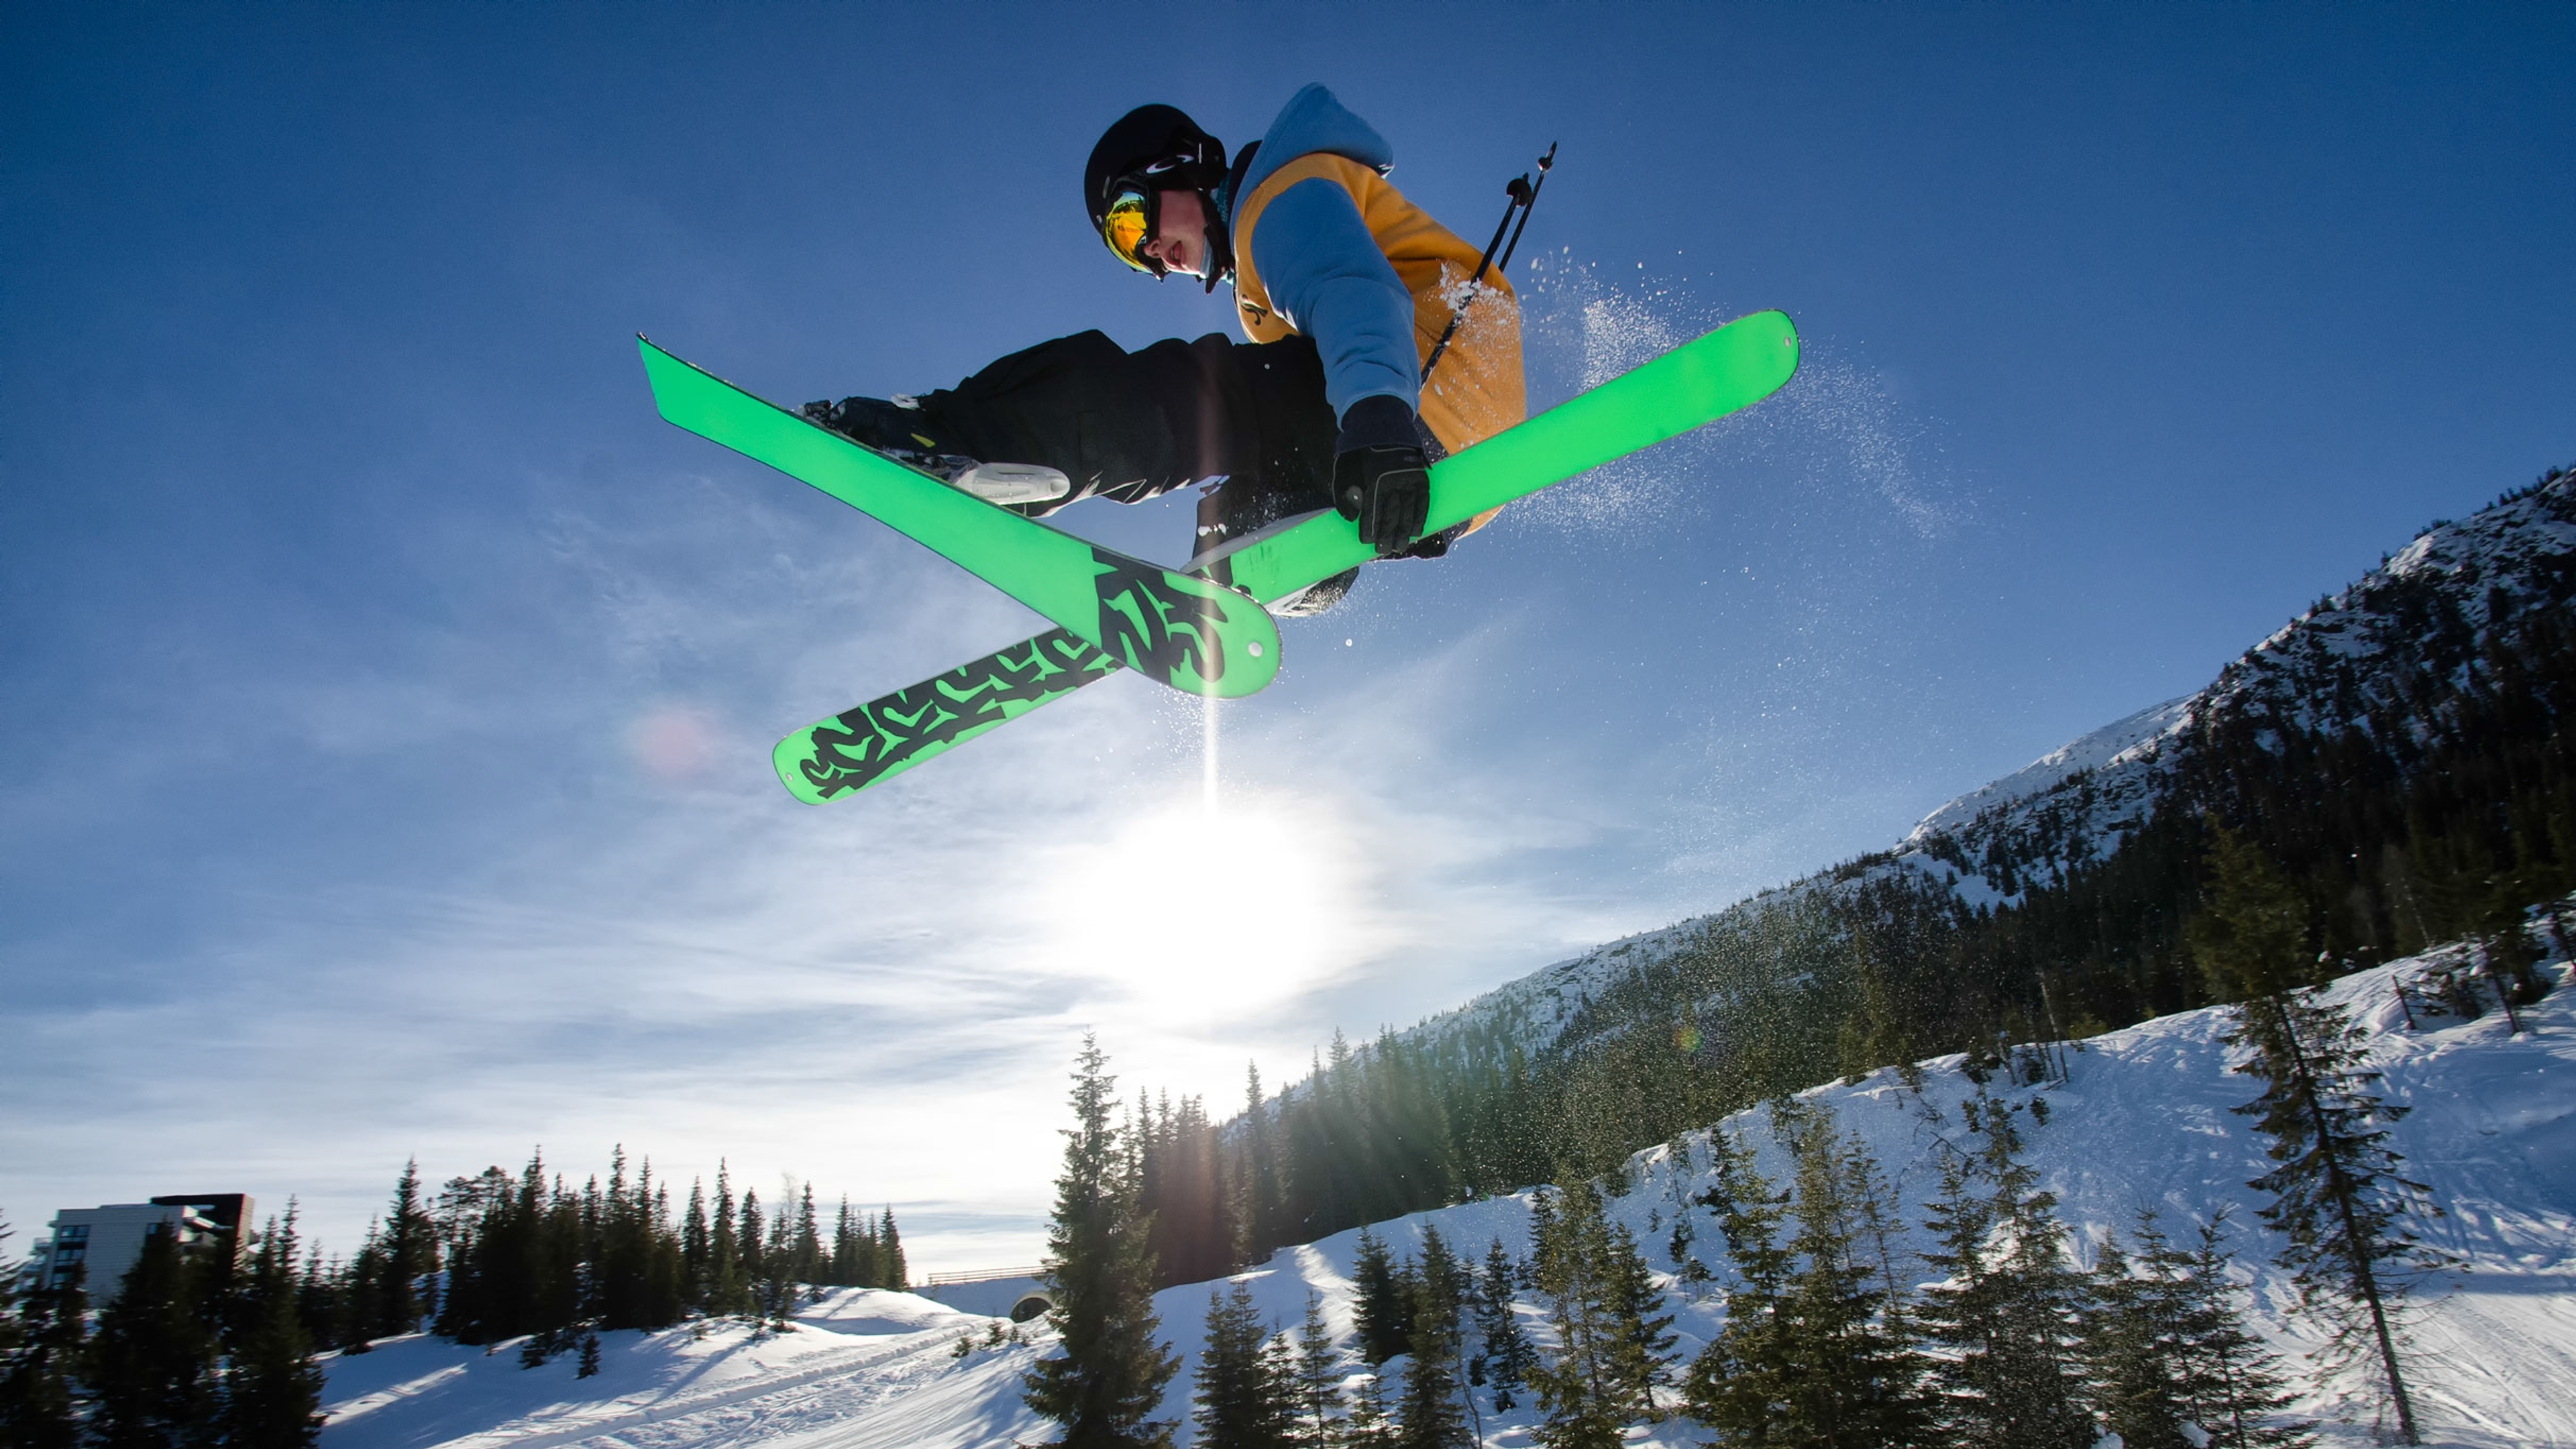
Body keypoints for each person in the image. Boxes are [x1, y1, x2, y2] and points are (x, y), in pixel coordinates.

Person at [803, 83, 1525, 616]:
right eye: (1126, 250)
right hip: (1450, 469)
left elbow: (1352, 290)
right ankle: (1268, 562)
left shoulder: (1281, 190)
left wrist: (1376, 420)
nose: (1149, 252)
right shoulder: (1267, 290)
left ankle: (950, 435)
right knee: (1241, 458)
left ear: (1180, 167)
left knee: (1194, 395)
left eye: (1128, 217)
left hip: (1407, 406)